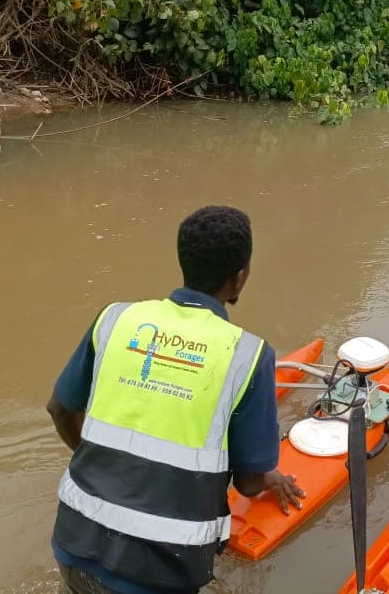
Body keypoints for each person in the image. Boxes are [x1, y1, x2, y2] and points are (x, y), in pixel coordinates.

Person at [47, 206, 305, 594]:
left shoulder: (115, 319)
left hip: (73, 546)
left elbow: (60, 408)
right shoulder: (248, 356)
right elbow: (250, 484)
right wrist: (271, 477)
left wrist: (106, 464)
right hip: (158, 576)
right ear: (239, 278)